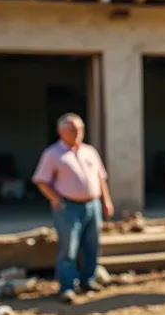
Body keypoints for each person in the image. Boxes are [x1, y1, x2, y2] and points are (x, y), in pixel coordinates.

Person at [32, 113, 114, 304]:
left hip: (92, 205)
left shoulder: (90, 151)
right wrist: (57, 199)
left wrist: (106, 201)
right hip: (68, 207)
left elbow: (101, 177)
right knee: (68, 248)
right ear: (60, 131)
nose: (76, 133)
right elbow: (41, 180)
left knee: (92, 245)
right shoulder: (52, 154)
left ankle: (88, 280)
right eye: (71, 130)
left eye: (79, 129)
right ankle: (67, 287)